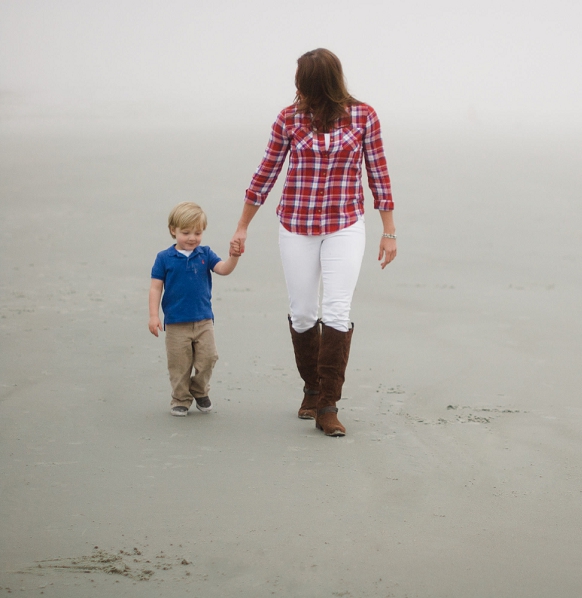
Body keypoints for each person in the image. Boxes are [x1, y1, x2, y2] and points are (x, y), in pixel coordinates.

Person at [231, 48, 396, 437]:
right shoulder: (288, 120)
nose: (296, 86)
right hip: (296, 225)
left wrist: (389, 232)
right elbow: (265, 173)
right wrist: (242, 227)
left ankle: (328, 405)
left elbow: (379, 174)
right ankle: (312, 387)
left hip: (345, 224)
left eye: (301, 79)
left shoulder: (364, 117)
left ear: (317, 81)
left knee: (337, 310)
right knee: (303, 313)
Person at [149, 202, 241, 416]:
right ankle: (180, 398)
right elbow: (155, 288)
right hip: (175, 322)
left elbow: (223, 269)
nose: (192, 237)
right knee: (179, 364)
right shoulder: (164, 258)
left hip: (203, 320)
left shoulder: (205, 254)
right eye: (186, 232)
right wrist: (154, 316)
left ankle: (199, 390)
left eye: (198, 233)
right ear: (173, 230)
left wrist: (234, 256)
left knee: (209, 358)